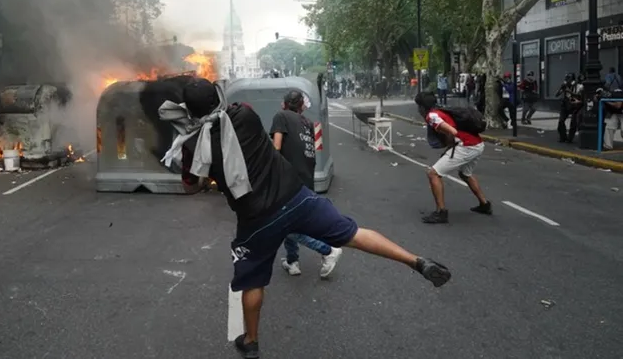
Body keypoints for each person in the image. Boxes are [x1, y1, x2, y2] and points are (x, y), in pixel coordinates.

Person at [159, 79, 451, 359]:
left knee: (252, 282)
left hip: (256, 219)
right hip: (296, 198)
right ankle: (415, 261)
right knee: (352, 234)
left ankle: (250, 342)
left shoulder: (193, 146)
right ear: (217, 97)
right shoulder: (244, 114)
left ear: (189, 110)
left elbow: (191, 185)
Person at [270, 90, 342, 279]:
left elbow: (276, 148)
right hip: (306, 181)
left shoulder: (281, 116)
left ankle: (327, 250)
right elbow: (312, 151)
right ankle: (292, 261)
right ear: (301, 106)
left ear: (284, 104)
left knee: (284, 225)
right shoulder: (308, 123)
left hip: (288, 182)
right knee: (291, 221)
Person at [415, 91, 491, 224]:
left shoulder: (432, 116)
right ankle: (484, 205)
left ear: (421, 107)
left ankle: (441, 212)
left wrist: (451, 144)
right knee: (465, 174)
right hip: (477, 144)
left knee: (433, 174)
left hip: (466, 146)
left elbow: (453, 131)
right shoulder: (439, 111)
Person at [555, 73, 581, 143]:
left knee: (573, 122)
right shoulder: (565, 86)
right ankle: (563, 137)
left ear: (572, 80)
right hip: (565, 105)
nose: (567, 80)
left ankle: (570, 138)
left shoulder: (578, 86)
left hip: (574, 105)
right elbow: (556, 95)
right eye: (566, 79)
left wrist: (569, 91)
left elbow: (579, 96)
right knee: (561, 121)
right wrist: (561, 88)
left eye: (569, 78)